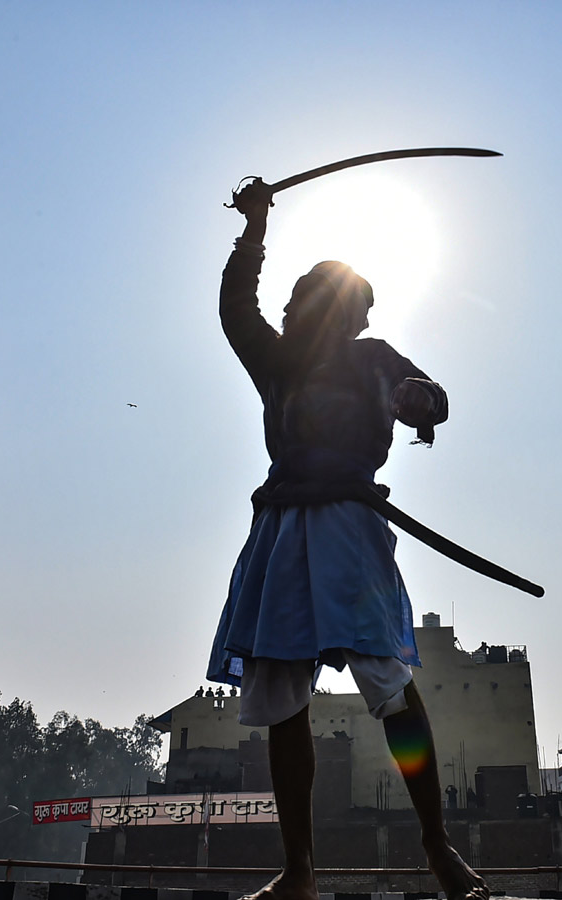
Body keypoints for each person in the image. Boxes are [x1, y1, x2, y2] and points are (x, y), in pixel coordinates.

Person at [206, 179, 488, 900]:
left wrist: (422, 400)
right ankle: (300, 868)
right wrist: (256, 228)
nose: (321, 314)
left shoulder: (374, 358)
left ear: (355, 317)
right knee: (282, 692)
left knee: (388, 681)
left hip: (350, 527)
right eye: (310, 301)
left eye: (339, 305)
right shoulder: (276, 362)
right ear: (295, 309)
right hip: (282, 525)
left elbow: (432, 394)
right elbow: (236, 307)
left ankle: (437, 847)